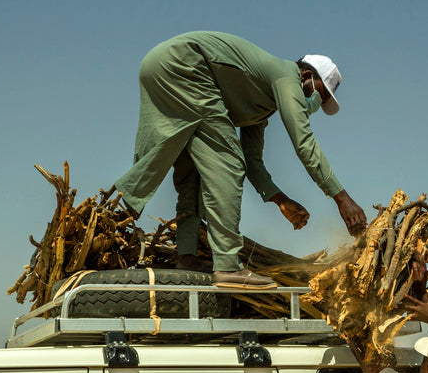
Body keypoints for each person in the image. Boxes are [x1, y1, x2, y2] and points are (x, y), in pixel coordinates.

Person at [113, 31, 367, 290]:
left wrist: (280, 200)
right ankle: (228, 266)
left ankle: (186, 257)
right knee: (227, 161)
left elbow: (252, 161)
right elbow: (304, 145)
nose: (315, 104)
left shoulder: (261, 104)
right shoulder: (286, 77)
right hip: (185, 65)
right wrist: (342, 199)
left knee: (195, 169)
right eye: (319, 95)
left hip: (165, 65)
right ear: (305, 77)